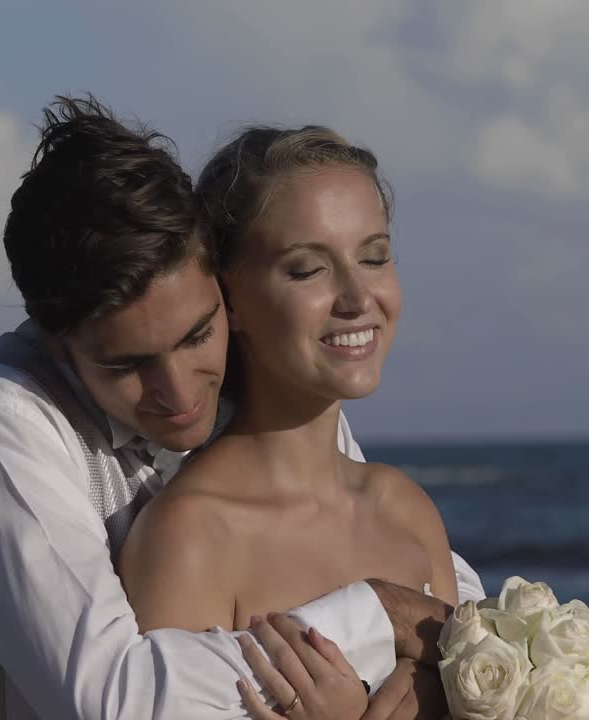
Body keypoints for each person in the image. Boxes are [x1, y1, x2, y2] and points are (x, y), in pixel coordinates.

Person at [0, 94, 485, 720]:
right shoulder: (1, 421)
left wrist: (446, 671)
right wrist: (376, 618)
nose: (182, 393)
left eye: (197, 335)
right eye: (127, 365)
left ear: (220, 291)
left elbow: (440, 607)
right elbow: (113, 703)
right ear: (56, 342)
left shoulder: (335, 447)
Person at [118, 125, 458, 719]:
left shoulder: (405, 509)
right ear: (230, 300)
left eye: (373, 256)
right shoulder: (191, 537)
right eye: (307, 270)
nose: (357, 296)